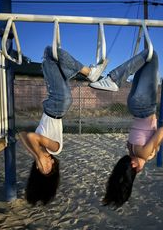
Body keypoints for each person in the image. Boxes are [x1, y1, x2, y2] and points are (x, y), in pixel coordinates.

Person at [19, 46, 108, 205]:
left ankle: (84, 72)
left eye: (45, 169)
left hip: (54, 104)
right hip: (58, 104)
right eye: (51, 167)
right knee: (49, 53)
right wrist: (38, 155)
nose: (49, 164)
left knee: (53, 60)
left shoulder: (37, 149)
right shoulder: (55, 148)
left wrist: (36, 154)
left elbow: (22, 134)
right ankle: (89, 73)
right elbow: (32, 136)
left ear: (37, 169)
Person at [90, 49, 163, 208]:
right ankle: (114, 79)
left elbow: (162, 131)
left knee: (151, 55)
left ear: (133, 168)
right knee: (146, 60)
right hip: (134, 106)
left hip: (145, 106)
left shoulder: (143, 153)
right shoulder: (130, 149)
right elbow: (134, 159)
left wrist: (154, 148)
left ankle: (113, 79)